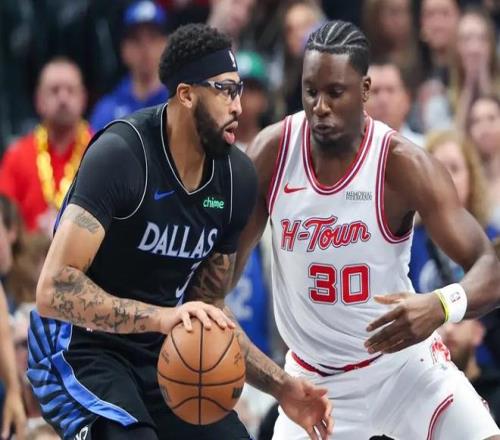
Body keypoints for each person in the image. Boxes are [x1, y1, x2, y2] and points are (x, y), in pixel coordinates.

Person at [27, 24, 332, 440]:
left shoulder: (235, 180)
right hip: (76, 347)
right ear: (186, 94)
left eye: (240, 90)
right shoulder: (122, 156)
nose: (238, 106)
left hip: (162, 351)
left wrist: (283, 387)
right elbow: (52, 290)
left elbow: (209, 307)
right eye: (225, 91)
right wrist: (162, 317)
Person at [234, 19, 500, 439]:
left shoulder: (401, 163)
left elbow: (490, 267)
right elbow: (215, 285)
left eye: (335, 92)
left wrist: (440, 306)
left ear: (364, 90)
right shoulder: (273, 152)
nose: (320, 106)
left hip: (404, 368)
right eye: (310, 91)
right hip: (313, 381)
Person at [0, 58, 90, 235]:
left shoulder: (101, 150)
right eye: (54, 90)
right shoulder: (17, 155)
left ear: (83, 98)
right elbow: (5, 217)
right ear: (39, 100)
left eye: (71, 90)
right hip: (28, 250)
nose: (63, 98)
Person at [89, 0, 169, 131]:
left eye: (153, 38)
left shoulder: (180, 100)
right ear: (123, 49)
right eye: (136, 39)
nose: (145, 48)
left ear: (166, 44)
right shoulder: (108, 108)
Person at [439, 319, 500, 423]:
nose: (448, 329)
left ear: (477, 333)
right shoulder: (423, 395)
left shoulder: (496, 393)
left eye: (458, 321)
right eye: (440, 323)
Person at [365, 60, 424, 147]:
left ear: (406, 99)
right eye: (375, 91)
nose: (383, 100)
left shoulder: (425, 149)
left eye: (390, 90)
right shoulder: (348, 152)